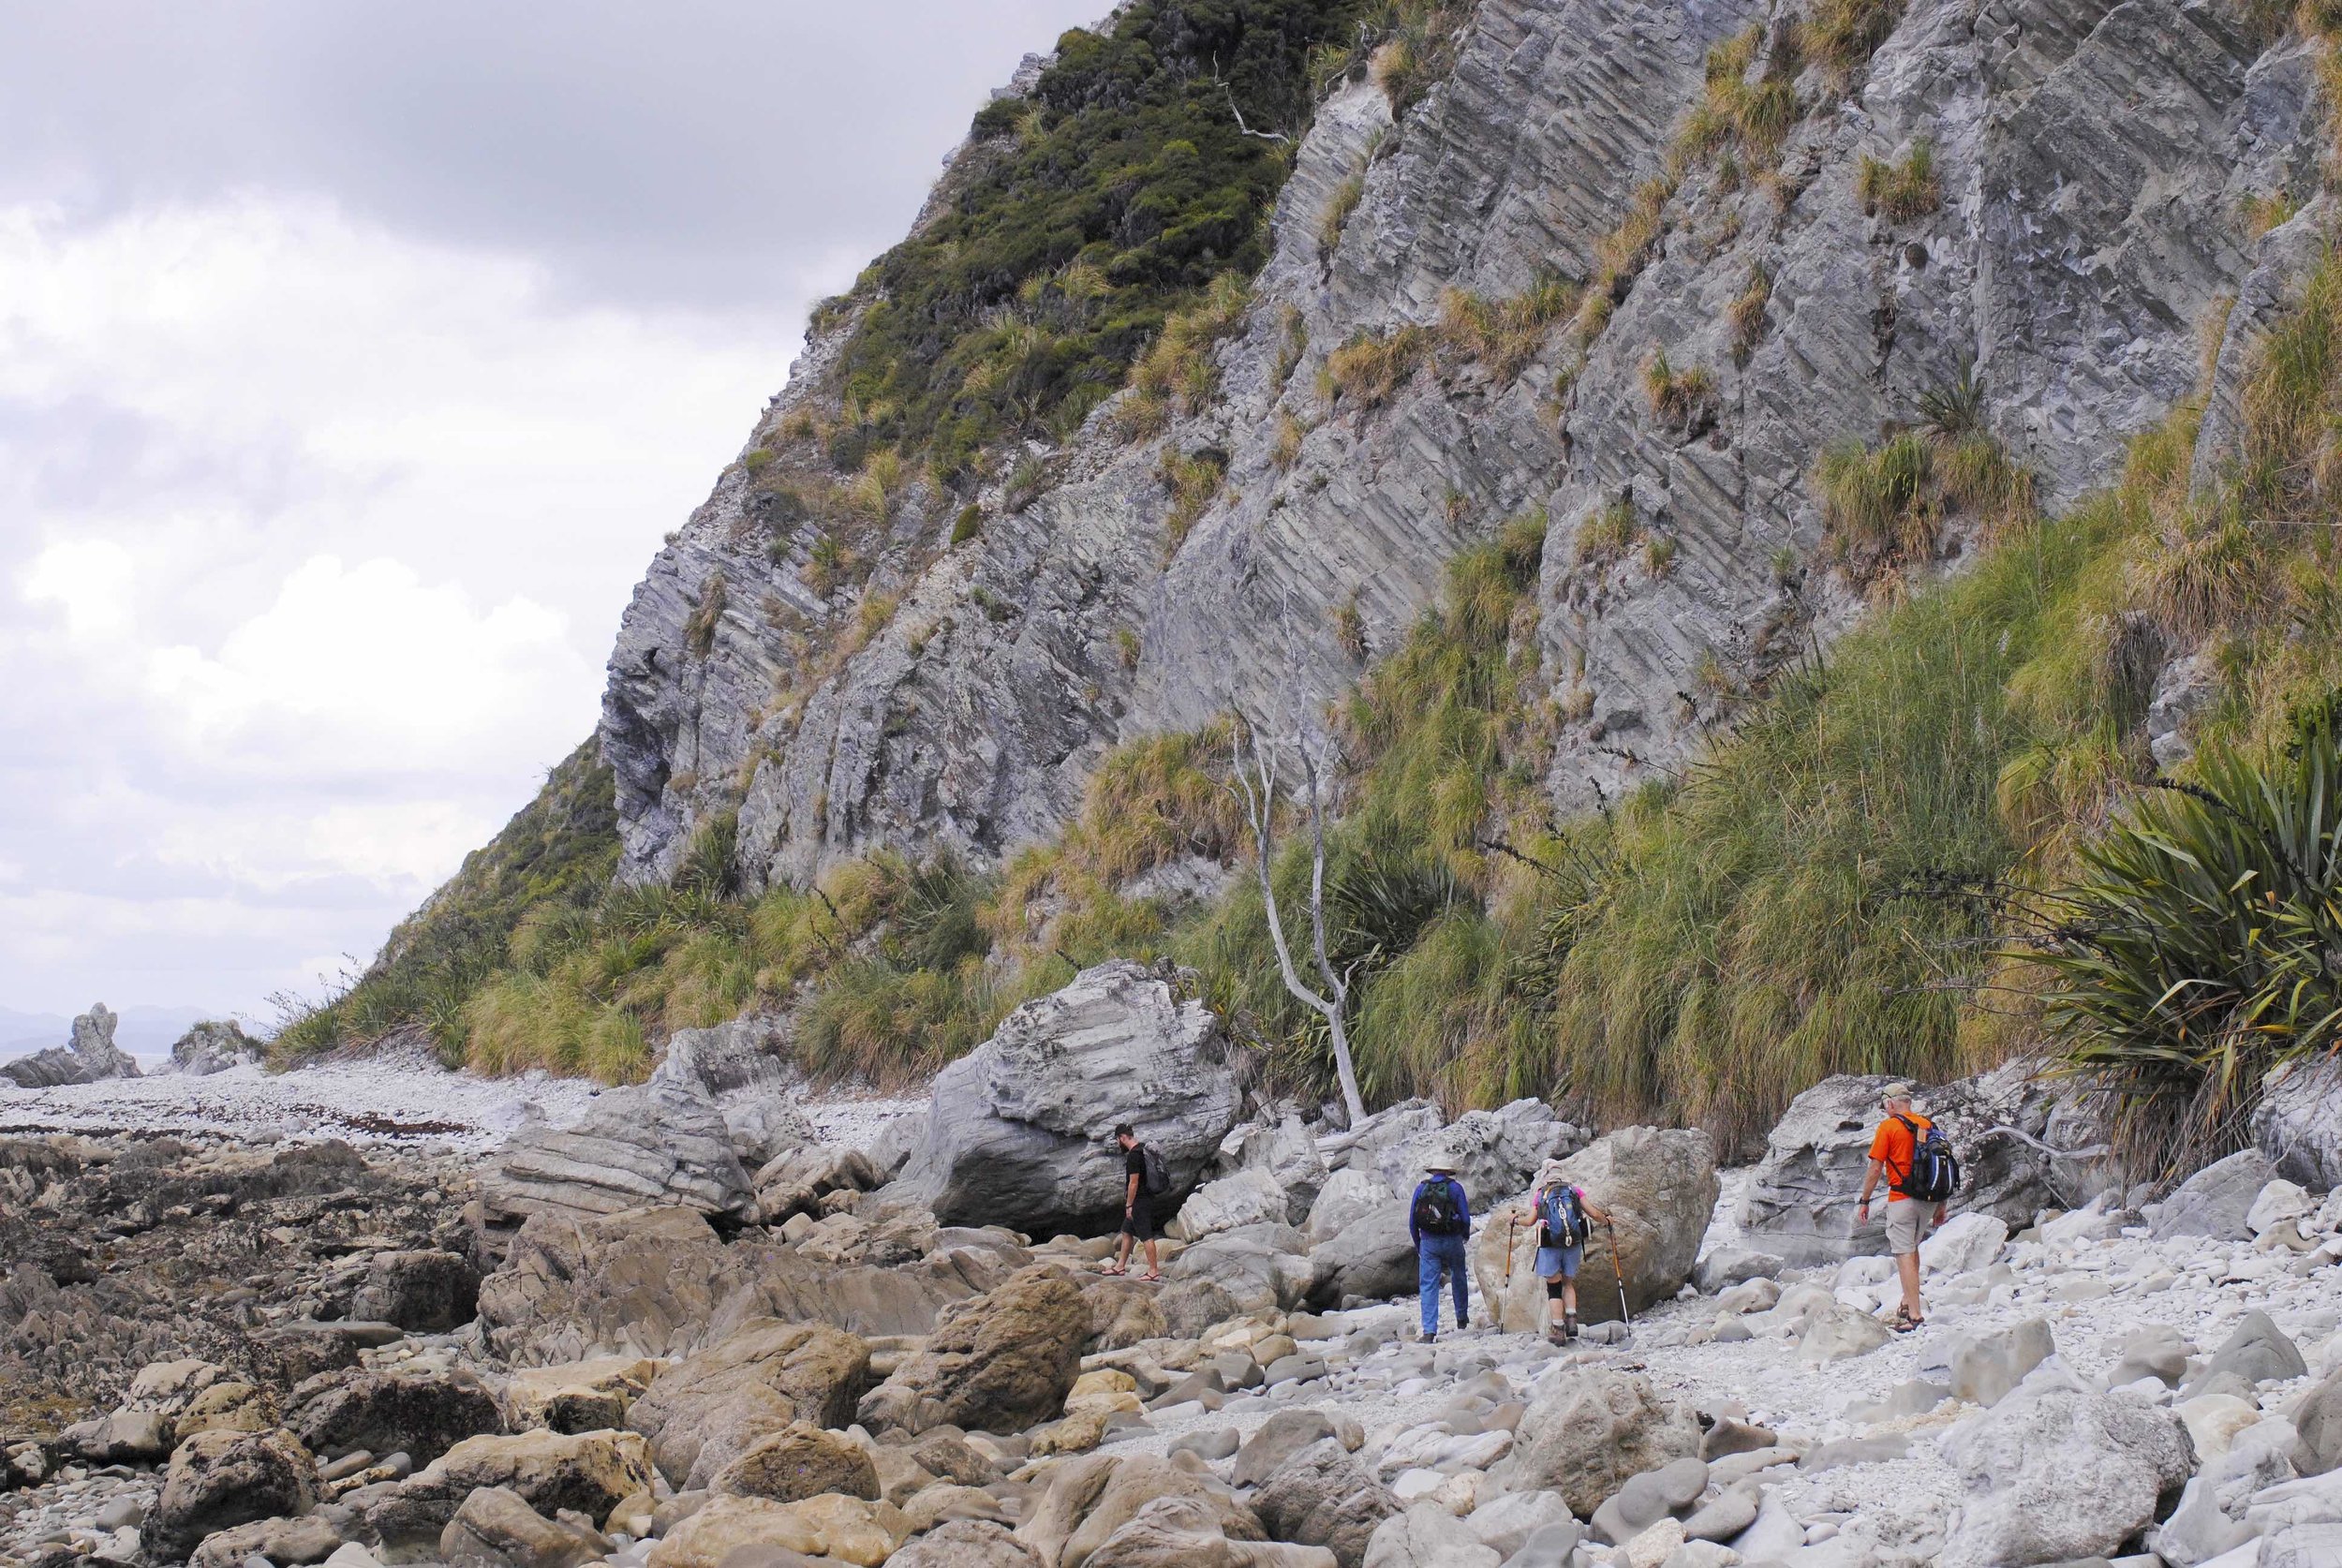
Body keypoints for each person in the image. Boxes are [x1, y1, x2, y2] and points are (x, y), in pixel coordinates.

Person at [1855, 1083, 1949, 1331]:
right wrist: (1941, 1205)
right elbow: (1941, 1164)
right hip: (1928, 1201)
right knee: (1912, 1248)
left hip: (1902, 1199)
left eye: (1885, 1106)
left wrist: (1864, 1200)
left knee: (1903, 1253)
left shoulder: (1888, 1127)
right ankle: (1908, 1301)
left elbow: (1875, 1168)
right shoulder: (1928, 1125)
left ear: (1890, 1103)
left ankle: (1915, 1316)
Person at [1529, 1175, 1610, 1342]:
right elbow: (1594, 1213)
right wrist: (1606, 1221)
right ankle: (1572, 1321)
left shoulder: (1541, 1195)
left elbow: (1530, 1220)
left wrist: (1515, 1221)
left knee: (1554, 1288)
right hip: (1572, 1242)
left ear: (1546, 1177)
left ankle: (1558, 1330)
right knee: (1568, 1283)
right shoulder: (1574, 1190)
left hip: (1550, 1244)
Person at [1410, 1156, 1472, 1342]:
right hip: (1453, 1240)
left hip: (1429, 1242)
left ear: (1432, 1171)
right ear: (1448, 1172)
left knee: (1429, 1284)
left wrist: (1419, 1244)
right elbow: (1466, 1218)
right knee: (1459, 1275)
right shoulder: (1455, 1188)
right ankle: (1461, 1318)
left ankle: (1429, 1331)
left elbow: (1413, 1222)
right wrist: (1465, 1235)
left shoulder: (1421, 1188)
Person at [1102, 1124, 1162, 1281]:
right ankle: (1120, 1267)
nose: (1118, 1144)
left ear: (1122, 1137)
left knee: (1146, 1236)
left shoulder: (1134, 1156)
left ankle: (1153, 1271)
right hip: (1145, 1198)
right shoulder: (1142, 1149)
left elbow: (1133, 1183)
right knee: (1126, 1231)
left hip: (1139, 1201)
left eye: (1117, 1140)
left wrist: (1129, 1205)